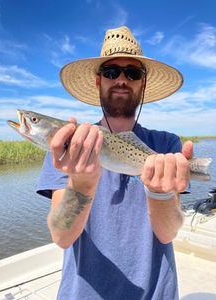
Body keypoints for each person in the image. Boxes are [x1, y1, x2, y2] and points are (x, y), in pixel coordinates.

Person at [37, 26, 192, 300]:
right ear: (98, 81)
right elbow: (62, 237)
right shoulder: (67, 146)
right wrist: (81, 184)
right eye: (111, 72)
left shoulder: (167, 144)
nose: (122, 79)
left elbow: (167, 234)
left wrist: (160, 193)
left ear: (142, 83)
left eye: (132, 73)